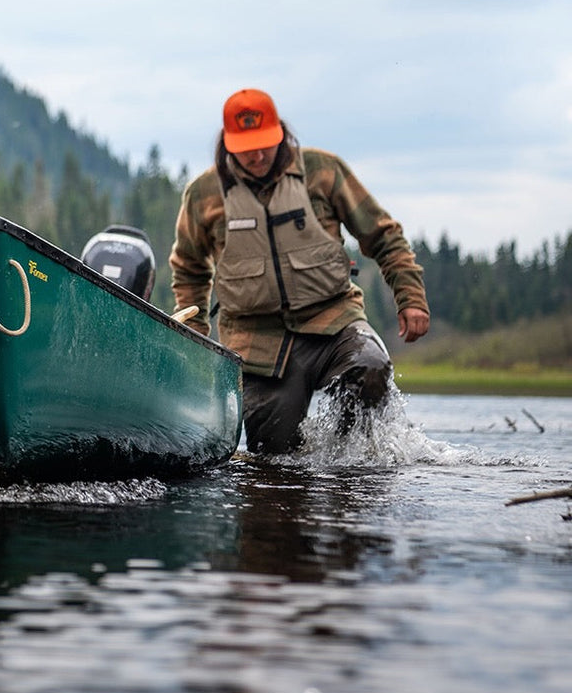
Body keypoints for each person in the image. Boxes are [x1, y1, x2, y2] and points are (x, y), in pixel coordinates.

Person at [170, 88, 429, 454]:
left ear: (281, 134)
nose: (258, 155)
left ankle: (347, 459)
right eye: (247, 146)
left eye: (266, 143)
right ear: (228, 144)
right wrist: (194, 338)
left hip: (334, 323)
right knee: (274, 457)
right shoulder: (203, 194)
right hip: (257, 342)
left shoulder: (323, 171)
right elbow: (189, 270)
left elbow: (384, 235)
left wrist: (411, 298)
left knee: (371, 368)